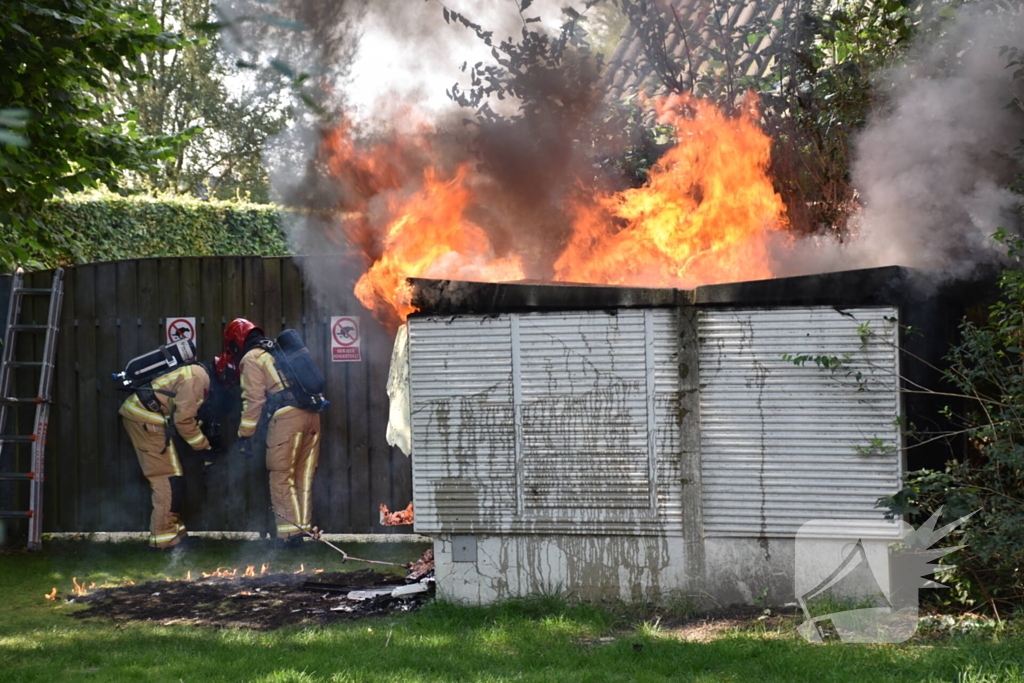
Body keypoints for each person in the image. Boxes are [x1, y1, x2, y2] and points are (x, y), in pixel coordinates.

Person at [223, 318, 321, 547]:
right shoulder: (276, 350)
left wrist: (245, 435)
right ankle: (302, 532)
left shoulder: (251, 358)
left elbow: (253, 400)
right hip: (312, 416)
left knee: (281, 477)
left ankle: (289, 537)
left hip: (287, 419)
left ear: (237, 342)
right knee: (302, 477)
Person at [119, 359, 224, 550]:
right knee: (166, 478)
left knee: (173, 476)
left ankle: (176, 534)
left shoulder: (196, 373)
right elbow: (184, 421)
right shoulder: (198, 378)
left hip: (147, 416)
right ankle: (163, 539)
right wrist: (205, 448)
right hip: (146, 418)